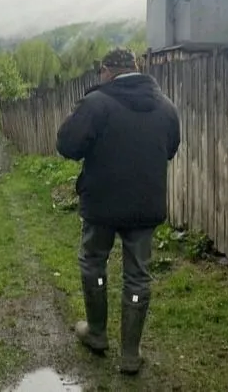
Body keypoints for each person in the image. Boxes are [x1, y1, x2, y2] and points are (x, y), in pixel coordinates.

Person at [56, 48, 180, 375]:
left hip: (101, 205)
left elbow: (66, 145)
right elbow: (170, 149)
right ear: (136, 69)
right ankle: (129, 353)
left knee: (94, 261)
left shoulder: (96, 104)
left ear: (106, 70)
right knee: (137, 275)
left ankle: (96, 334)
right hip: (145, 206)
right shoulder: (166, 107)